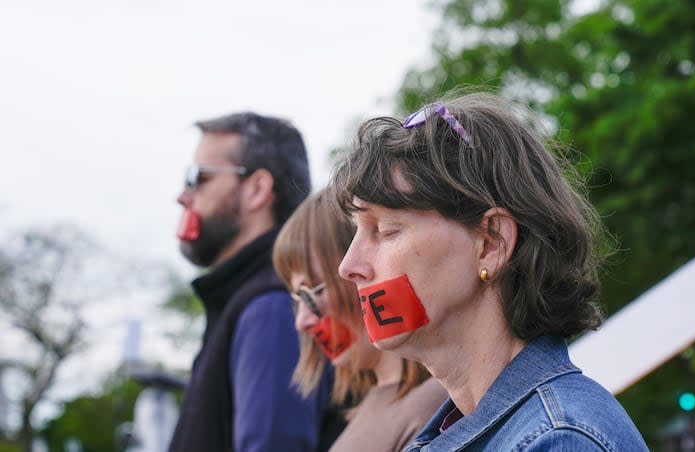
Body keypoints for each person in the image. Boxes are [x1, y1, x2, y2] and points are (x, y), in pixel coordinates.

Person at [332, 93, 648, 451]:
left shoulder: (558, 440)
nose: (349, 266)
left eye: (387, 229)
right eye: (356, 230)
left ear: (491, 244)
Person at [170, 112, 336, 452]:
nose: (183, 196)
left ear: (258, 189)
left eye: (198, 177)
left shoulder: (270, 308)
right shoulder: (249, 300)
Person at [273, 188, 448, 452]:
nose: (303, 322)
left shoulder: (432, 406)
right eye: (297, 300)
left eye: (310, 293)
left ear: (359, 273)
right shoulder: (373, 406)